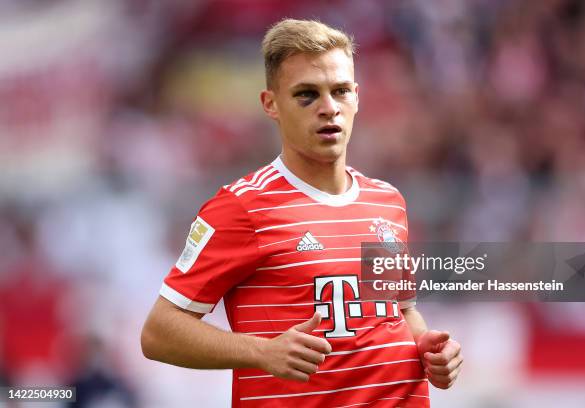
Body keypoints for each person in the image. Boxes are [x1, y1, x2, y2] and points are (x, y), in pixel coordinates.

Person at [141, 18, 462, 407]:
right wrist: (262, 352)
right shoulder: (242, 207)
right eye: (307, 95)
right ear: (271, 104)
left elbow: (399, 313)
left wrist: (429, 350)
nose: (329, 108)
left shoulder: (386, 201)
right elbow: (158, 333)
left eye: (340, 91)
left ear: (357, 97)